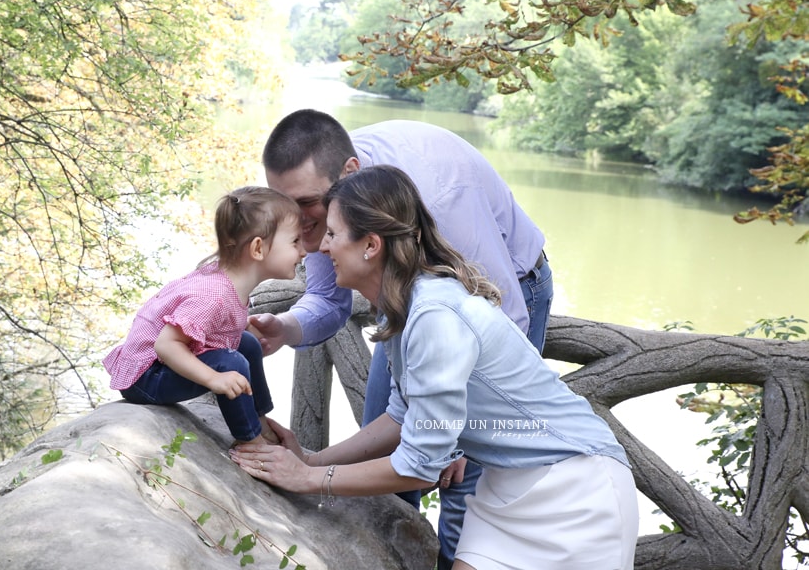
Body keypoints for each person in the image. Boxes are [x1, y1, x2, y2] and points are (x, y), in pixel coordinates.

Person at [232, 166, 638, 569]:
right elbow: (401, 416)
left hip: (575, 488)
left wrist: (308, 480)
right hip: (506, 485)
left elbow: (419, 466)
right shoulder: (403, 306)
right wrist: (313, 460)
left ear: (370, 245)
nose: (322, 247)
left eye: (333, 234)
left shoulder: (435, 315)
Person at [248, 109, 553, 567]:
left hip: (506, 292)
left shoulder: (442, 197)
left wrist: (455, 436)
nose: (295, 219)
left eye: (307, 204)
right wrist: (285, 328)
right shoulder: (335, 205)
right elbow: (328, 302)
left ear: (349, 173)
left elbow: (503, 316)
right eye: (284, 202)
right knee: (383, 455)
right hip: (407, 300)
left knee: (463, 486)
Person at [103, 186, 305, 445]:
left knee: (248, 345)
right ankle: (250, 442)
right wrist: (215, 379)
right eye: (295, 242)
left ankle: (258, 418)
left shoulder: (230, 279)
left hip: (161, 364)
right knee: (232, 364)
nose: (303, 251)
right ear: (257, 249)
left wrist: (241, 328)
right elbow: (165, 345)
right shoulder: (213, 296)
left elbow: (216, 323)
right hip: (146, 376)